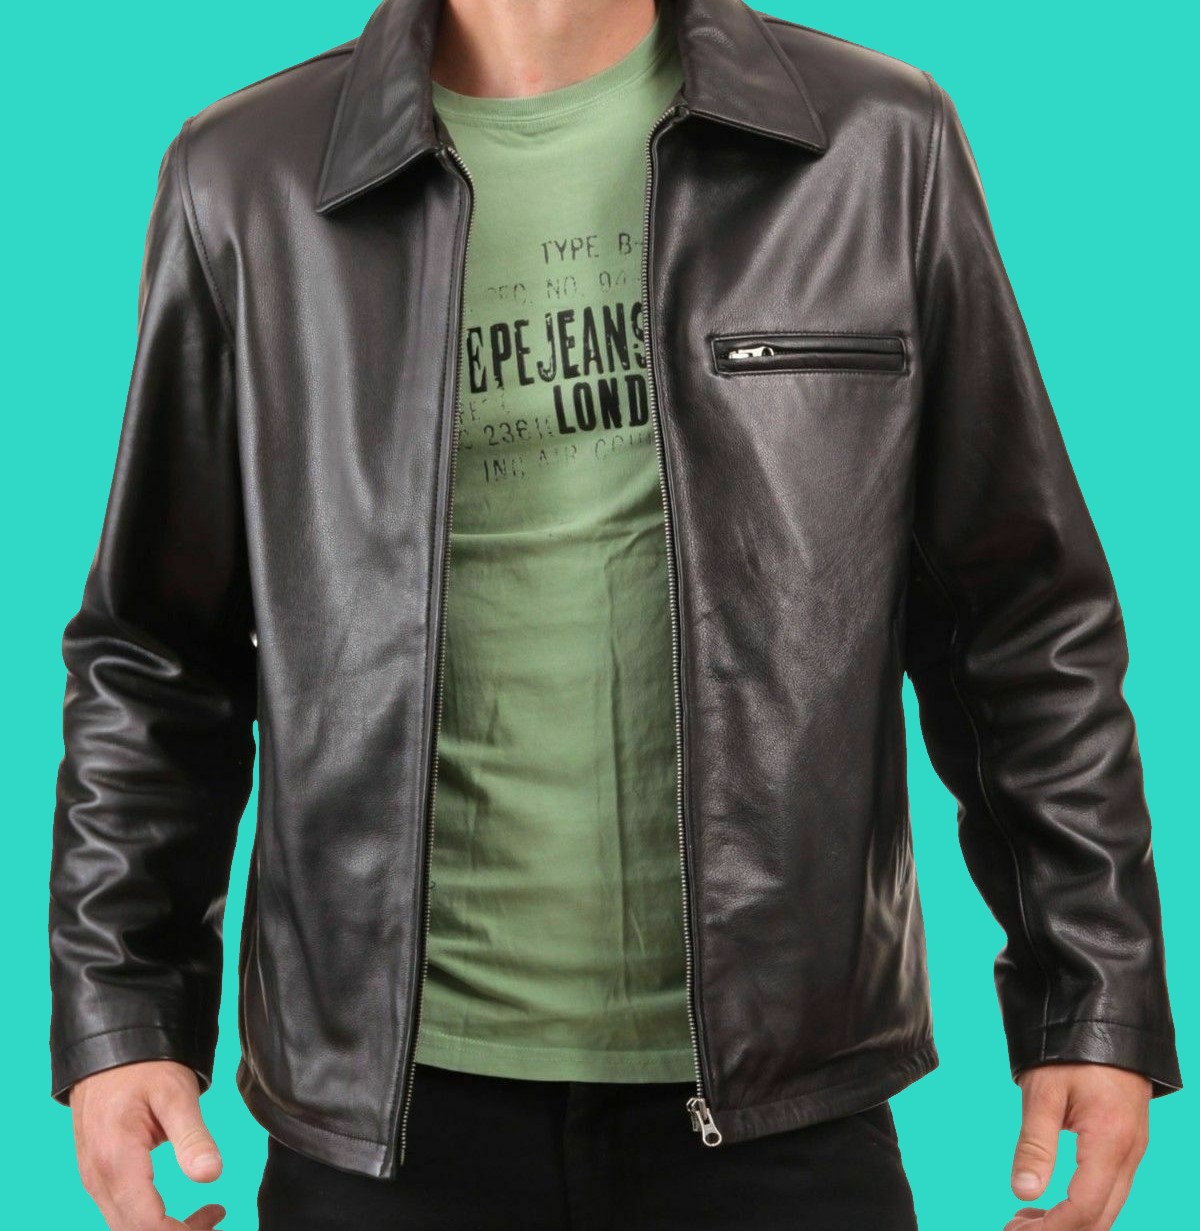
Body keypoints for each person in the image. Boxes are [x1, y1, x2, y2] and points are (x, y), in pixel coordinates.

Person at [49, 0, 1182, 1228]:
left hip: (783, 1106)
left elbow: (1016, 619)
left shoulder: (874, 145)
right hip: (387, 1119)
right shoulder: (247, 177)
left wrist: (1095, 994)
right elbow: (158, 651)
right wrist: (123, 1013)